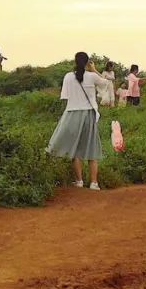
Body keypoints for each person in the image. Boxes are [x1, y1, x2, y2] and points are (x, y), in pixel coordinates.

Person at [47, 53, 106, 190]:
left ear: (75, 61)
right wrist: (94, 70)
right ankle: (94, 183)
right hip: (88, 114)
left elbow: (65, 97)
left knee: (75, 149)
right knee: (92, 148)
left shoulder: (68, 76)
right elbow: (106, 84)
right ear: (87, 62)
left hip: (72, 114)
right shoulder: (92, 76)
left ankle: (79, 181)